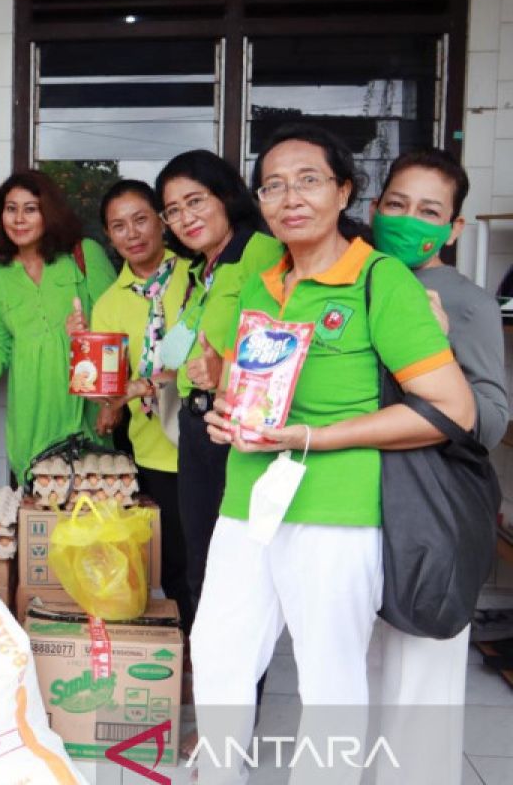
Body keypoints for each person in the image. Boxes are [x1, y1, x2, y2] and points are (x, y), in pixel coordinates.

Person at [195, 124, 476, 785]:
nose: (289, 197)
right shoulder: (261, 283)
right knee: (218, 655)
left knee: (329, 680)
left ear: (345, 191)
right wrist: (228, 415)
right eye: (272, 185)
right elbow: (249, 383)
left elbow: (451, 410)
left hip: (338, 507)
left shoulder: (379, 280)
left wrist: (314, 437)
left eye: (309, 180)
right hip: (248, 499)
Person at [369, 149, 506, 785]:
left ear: (453, 228)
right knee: (367, 672)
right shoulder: (363, 280)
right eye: (397, 205)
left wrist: (440, 347)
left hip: (431, 510)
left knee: (421, 679)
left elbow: (491, 420)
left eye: (429, 211)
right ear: (374, 208)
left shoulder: (464, 301)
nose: (408, 220)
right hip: (367, 503)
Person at [154, 150, 284, 606]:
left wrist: (222, 371)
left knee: (234, 571)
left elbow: (278, 351)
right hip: (197, 429)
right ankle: (203, 669)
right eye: (172, 210)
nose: (184, 218)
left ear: (226, 195)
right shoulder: (202, 269)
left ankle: (239, 679)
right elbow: (178, 350)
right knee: (201, 563)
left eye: (195, 201)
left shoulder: (261, 252)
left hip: (235, 430)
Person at [0, 170, 116, 483]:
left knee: (89, 512)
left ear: (48, 213)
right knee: (36, 514)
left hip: (87, 411)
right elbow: (0, 347)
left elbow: (117, 331)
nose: (19, 219)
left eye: (30, 209)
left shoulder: (83, 255)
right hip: (30, 415)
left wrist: (111, 403)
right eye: (11, 209)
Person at [86, 180, 194, 632]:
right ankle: (187, 658)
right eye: (118, 226)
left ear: (162, 220)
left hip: (207, 440)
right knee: (172, 568)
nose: (132, 233)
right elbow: (109, 387)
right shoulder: (110, 303)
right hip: (152, 449)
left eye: (141, 219)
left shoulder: (199, 274)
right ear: (109, 237)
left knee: (208, 562)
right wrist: (107, 400)